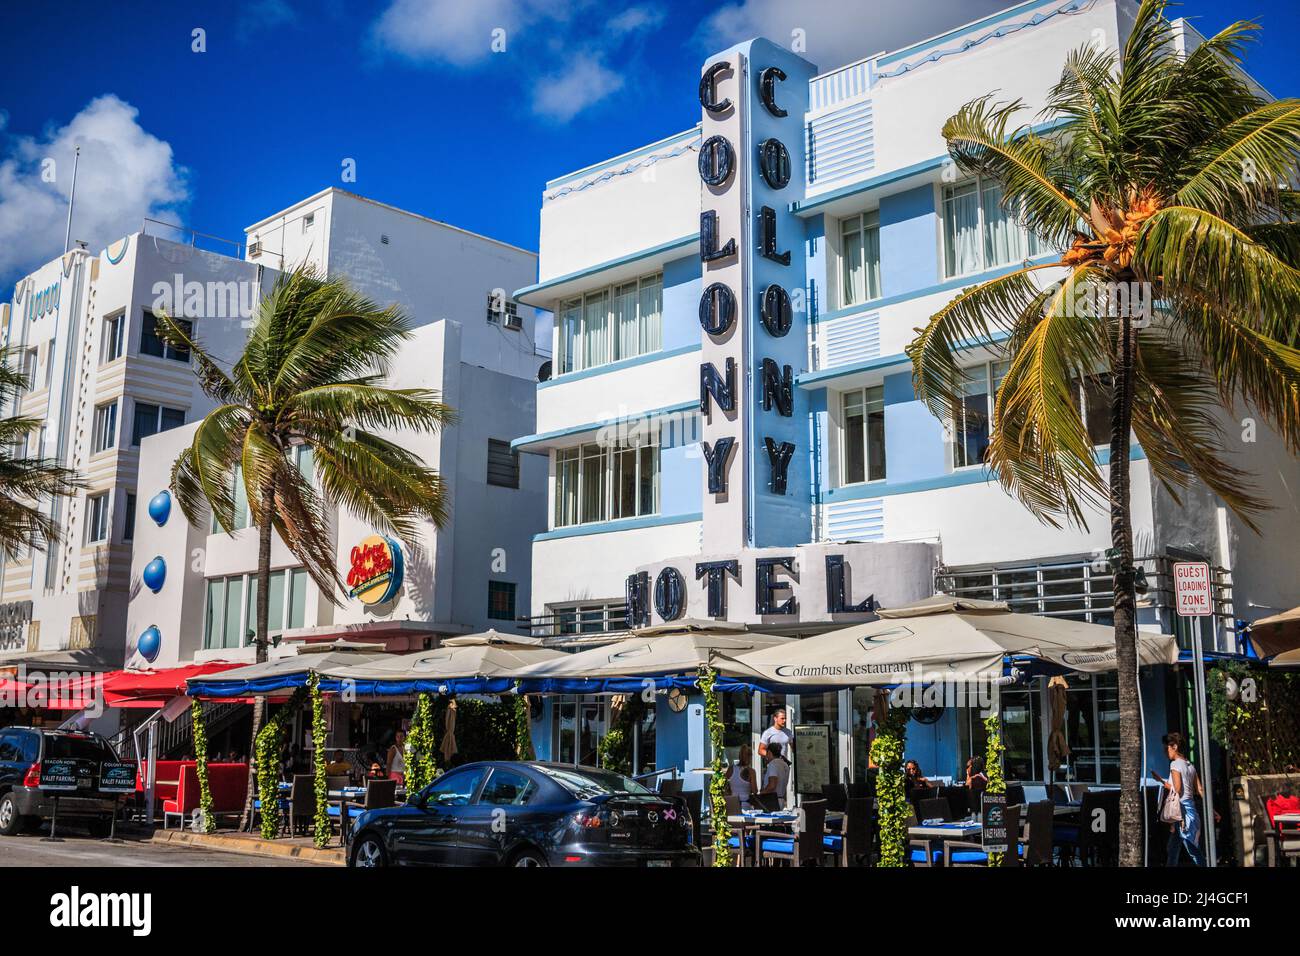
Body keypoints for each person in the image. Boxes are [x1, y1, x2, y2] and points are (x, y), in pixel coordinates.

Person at [1151, 731, 1207, 867]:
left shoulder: (1175, 764)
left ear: (1174, 746)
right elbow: (1200, 789)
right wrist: (1210, 808)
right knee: (1173, 847)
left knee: (1191, 848)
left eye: (1167, 748)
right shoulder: (1190, 765)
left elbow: (1177, 789)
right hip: (1190, 808)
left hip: (1182, 810)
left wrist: (1160, 781)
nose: (1165, 752)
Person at [725, 744, 758, 809]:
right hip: (745, 804)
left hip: (732, 803)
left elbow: (724, 786)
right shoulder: (751, 771)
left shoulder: (731, 769)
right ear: (750, 757)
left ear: (739, 756)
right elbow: (755, 791)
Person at [760, 741, 791, 810]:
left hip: (772, 801)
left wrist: (761, 794)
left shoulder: (773, 764)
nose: (766, 756)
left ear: (770, 753)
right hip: (780, 800)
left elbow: (772, 785)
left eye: (767, 753)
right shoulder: (785, 764)